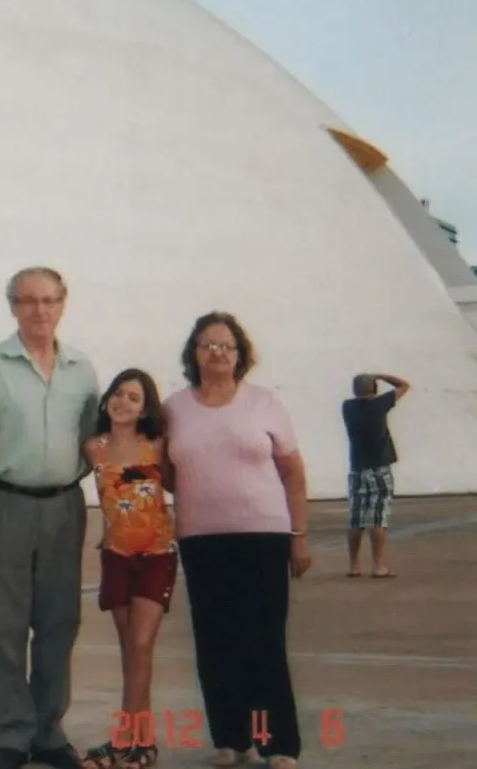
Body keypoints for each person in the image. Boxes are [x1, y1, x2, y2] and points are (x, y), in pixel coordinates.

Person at [0, 267, 101, 769]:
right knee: (9, 626)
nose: (39, 310)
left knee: (60, 622)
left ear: (63, 304)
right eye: (28, 300)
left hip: (64, 506)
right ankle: (13, 736)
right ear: (13, 307)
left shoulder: (82, 370)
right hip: (5, 506)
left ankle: (49, 732)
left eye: (49, 300)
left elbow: (98, 446)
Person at [162, 312, 311, 769]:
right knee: (215, 642)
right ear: (194, 353)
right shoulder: (174, 408)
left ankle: (276, 742)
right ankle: (231, 737)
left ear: (241, 354)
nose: (217, 353)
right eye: (208, 345)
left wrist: (298, 535)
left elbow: (292, 470)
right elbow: (168, 473)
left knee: (262, 642)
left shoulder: (263, 402)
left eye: (226, 346)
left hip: (262, 536)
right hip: (202, 540)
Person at [79, 369, 177, 769]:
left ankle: (122, 743)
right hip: (116, 558)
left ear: (145, 409)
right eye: (118, 394)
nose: (123, 402)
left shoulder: (156, 447)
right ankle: (143, 745)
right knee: (131, 653)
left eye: (133, 398)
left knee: (140, 645)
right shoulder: (93, 448)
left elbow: (178, 486)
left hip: (156, 556)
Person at [342, 372, 411, 578]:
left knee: (356, 519)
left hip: (357, 468)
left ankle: (354, 565)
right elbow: (404, 385)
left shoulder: (348, 407)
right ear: (375, 389)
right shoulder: (379, 404)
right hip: (379, 467)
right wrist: (381, 375)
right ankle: (378, 565)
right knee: (378, 518)